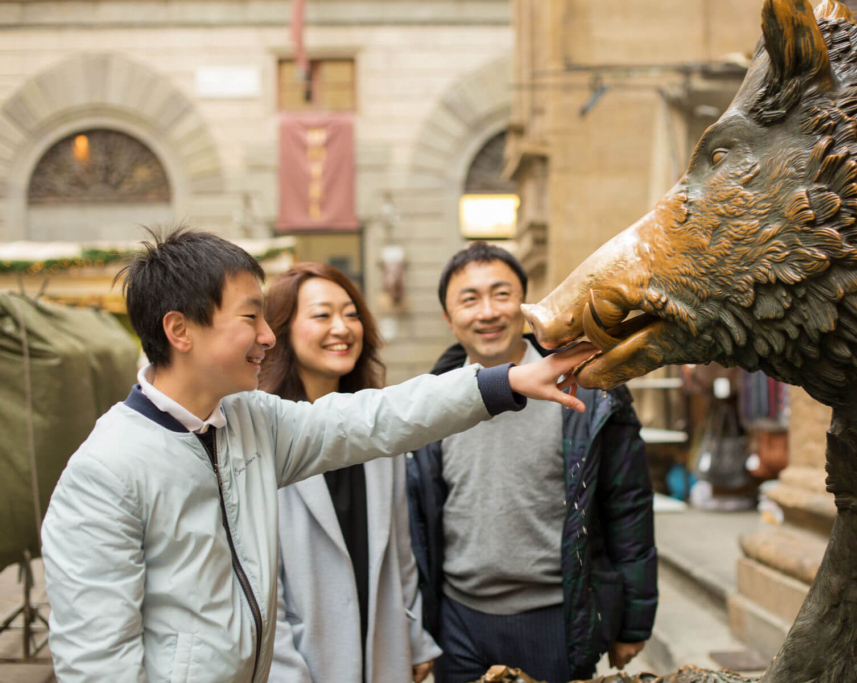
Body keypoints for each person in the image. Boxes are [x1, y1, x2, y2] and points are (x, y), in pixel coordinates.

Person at [40, 228, 595, 683]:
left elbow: (373, 418)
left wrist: (507, 381)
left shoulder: (250, 420)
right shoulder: (105, 472)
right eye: (251, 317)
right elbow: (97, 662)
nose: (268, 336)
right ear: (179, 329)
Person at [407, 242, 658, 683]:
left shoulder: (586, 389)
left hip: (556, 618)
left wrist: (633, 623)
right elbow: (419, 525)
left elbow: (628, 505)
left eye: (501, 294)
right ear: (449, 318)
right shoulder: (430, 403)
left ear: (526, 306)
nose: (488, 312)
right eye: (470, 299)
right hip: (458, 623)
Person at [261, 262, 439, 683]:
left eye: (352, 314)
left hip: (382, 650)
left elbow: (400, 551)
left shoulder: (378, 426)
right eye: (322, 315)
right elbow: (261, 583)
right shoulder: (263, 433)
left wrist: (413, 636)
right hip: (300, 661)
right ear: (282, 331)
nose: (341, 328)